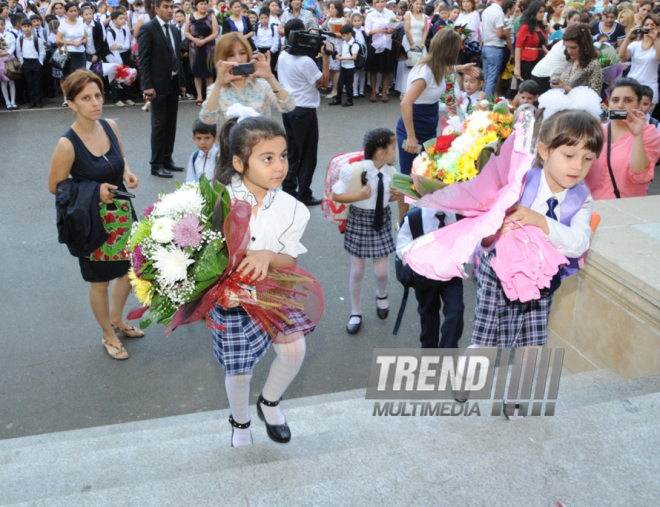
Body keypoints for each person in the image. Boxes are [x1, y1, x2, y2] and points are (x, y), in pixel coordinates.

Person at [211, 114, 315, 447]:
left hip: (272, 289)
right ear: (240, 163)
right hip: (231, 297)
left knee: (294, 349)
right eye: (267, 158)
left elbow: (289, 261)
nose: (279, 166)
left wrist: (268, 256)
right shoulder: (218, 199)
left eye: (282, 156)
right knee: (239, 371)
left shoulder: (294, 210)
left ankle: (269, 402)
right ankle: (240, 422)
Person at [48, 70, 143, 361]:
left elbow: (120, 157)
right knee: (99, 283)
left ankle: (117, 318)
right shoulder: (67, 144)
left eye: (98, 95)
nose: (95, 103)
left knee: (130, 270)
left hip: (123, 215)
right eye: (85, 98)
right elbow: (55, 187)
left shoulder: (110, 126)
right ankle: (108, 333)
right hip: (92, 222)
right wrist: (94, 190)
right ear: (72, 104)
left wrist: (126, 172)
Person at [331, 128, 401, 334]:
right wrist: (359, 196)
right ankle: (355, 312)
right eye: (393, 148)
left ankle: (382, 294)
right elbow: (336, 196)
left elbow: (387, 199)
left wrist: (397, 195)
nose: (396, 152)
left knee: (381, 271)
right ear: (380, 153)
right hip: (359, 220)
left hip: (381, 219)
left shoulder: (391, 173)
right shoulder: (353, 171)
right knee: (358, 271)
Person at [398, 29, 479, 179]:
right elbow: (405, 103)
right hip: (415, 126)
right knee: (409, 176)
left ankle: (420, 203)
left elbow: (443, 70)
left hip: (427, 124)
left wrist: (461, 68)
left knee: (426, 173)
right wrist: (411, 137)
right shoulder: (424, 72)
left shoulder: (435, 66)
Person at [277, 19, 329, 205]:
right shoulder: (306, 61)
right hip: (304, 111)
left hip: (288, 109)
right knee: (307, 156)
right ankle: (304, 194)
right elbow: (323, 83)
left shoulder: (283, 55)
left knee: (291, 153)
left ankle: (289, 190)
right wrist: (326, 58)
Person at [396, 207, 464, 348]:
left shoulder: (460, 215)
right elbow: (402, 248)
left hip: (451, 275)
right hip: (424, 277)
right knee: (429, 318)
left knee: (456, 312)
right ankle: (429, 357)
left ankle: (447, 356)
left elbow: (470, 241)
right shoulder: (414, 217)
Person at [585, 78, 660, 199]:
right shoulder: (595, 131)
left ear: (640, 104)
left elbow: (640, 174)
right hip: (590, 208)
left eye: (628, 100)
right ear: (608, 103)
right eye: (615, 100)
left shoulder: (649, 133)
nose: (620, 105)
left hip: (626, 208)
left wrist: (637, 135)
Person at [199, 33, 294, 128]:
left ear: (248, 54)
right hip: (231, 142)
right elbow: (207, 119)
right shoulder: (216, 89)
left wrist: (270, 76)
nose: (238, 59)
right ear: (222, 58)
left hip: (261, 141)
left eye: (242, 53)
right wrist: (218, 83)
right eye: (231, 55)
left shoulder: (262, 85)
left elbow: (289, 106)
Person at [138, 0, 187, 178]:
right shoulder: (148, 29)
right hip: (156, 86)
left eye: (171, 7)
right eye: (166, 7)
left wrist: (182, 82)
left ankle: (167, 159)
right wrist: (147, 86)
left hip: (173, 83)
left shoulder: (175, 29)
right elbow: (143, 60)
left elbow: (178, 58)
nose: (170, 10)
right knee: (159, 125)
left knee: (171, 123)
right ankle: (156, 164)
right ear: (157, 9)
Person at [530, 9, 580, 93]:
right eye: (574, 20)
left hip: (548, 74)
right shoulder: (566, 45)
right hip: (543, 75)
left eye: (579, 20)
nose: (577, 22)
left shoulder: (567, 42)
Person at [618, 14, 660, 104]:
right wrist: (628, 36)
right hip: (632, 84)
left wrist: (655, 39)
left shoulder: (658, 44)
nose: (649, 27)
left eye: (652, 25)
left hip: (650, 86)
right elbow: (622, 55)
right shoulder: (636, 44)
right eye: (647, 25)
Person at [550, 24, 603, 94]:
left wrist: (565, 88)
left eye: (573, 48)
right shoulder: (571, 60)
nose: (569, 51)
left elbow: (594, 96)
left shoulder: (594, 65)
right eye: (567, 47)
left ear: (584, 46)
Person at [185, 0, 219, 105]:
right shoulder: (190, 16)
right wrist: (195, 40)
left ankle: (209, 95)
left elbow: (215, 33)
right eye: (201, 4)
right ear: (196, 6)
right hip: (195, 48)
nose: (203, 6)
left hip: (208, 47)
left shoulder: (211, 17)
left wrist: (204, 41)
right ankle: (199, 95)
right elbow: (186, 31)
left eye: (205, 4)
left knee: (209, 71)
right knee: (197, 71)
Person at [395, 0, 427, 97]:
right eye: (417, 3)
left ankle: (417, 90)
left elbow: (425, 31)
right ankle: (405, 91)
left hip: (420, 42)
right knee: (407, 66)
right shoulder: (408, 14)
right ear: (412, 4)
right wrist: (412, 44)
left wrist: (422, 44)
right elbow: (407, 30)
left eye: (421, 4)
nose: (419, 5)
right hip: (409, 42)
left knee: (420, 67)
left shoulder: (424, 16)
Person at [365, 0, 396, 102]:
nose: (380, 4)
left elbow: (395, 28)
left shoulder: (390, 13)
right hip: (374, 44)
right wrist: (379, 30)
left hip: (387, 43)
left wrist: (390, 30)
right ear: (374, 3)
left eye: (382, 1)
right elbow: (367, 31)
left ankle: (384, 92)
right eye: (378, 2)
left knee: (386, 69)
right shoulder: (370, 15)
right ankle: (373, 91)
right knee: (373, 69)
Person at [106, 10, 136, 107]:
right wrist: (119, 61)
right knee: (116, 78)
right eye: (121, 18)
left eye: (124, 18)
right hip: (115, 57)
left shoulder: (124, 29)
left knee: (127, 76)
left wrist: (119, 47)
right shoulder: (110, 32)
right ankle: (116, 98)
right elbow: (112, 48)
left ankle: (127, 97)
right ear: (114, 20)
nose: (123, 20)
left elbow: (127, 45)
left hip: (125, 54)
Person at [514, 0, 547, 82]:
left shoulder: (540, 26)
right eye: (540, 12)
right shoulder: (525, 27)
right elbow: (518, 48)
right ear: (534, 12)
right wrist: (517, 68)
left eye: (543, 12)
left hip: (539, 58)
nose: (542, 14)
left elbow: (540, 43)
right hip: (527, 61)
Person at [16, 17, 45, 109]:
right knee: (29, 83)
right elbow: (18, 51)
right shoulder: (20, 39)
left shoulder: (37, 39)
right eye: (24, 26)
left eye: (28, 26)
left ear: (31, 27)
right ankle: (32, 101)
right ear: (22, 28)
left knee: (37, 82)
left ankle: (38, 100)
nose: (27, 28)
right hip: (26, 62)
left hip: (35, 61)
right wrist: (22, 62)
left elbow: (42, 52)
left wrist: (40, 62)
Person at [481, 0, 507, 98]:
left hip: (486, 46)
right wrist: (506, 35)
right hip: (495, 47)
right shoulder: (499, 13)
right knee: (491, 79)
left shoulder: (486, 11)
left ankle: (482, 101)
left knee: (486, 78)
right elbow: (500, 34)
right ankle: (487, 103)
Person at [330, 23, 359, 106]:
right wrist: (340, 54)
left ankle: (350, 100)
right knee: (340, 83)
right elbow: (344, 51)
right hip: (343, 66)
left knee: (349, 85)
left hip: (350, 67)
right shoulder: (345, 42)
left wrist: (342, 58)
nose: (342, 37)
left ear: (349, 34)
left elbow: (354, 57)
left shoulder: (354, 44)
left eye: (343, 35)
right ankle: (338, 99)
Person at [322, 0, 346, 99]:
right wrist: (327, 18)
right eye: (330, 8)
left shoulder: (342, 19)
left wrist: (335, 34)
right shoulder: (330, 19)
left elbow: (346, 32)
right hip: (329, 42)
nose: (331, 10)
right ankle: (333, 87)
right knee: (331, 67)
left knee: (336, 68)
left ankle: (335, 89)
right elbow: (323, 26)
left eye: (333, 8)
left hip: (338, 43)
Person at [57, 2, 87, 77]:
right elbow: (58, 40)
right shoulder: (63, 24)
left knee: (81, 76)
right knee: (69, 77)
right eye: (71, 11)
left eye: (75, 11)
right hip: (68, 53)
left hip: (80, 53)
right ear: (66, 12)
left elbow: (85, 38)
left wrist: (81, 42)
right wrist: (72, 43)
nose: (74, 13)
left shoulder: (81, 23)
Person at [0, 16, 17, 109]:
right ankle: (7, 102)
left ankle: (13, 101)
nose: (0, 26)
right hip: (0, 61)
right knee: (3, 82)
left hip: (9, 59)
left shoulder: (9, 34)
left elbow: (12, 45)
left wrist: (7, 52)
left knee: (11, 80)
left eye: (2, 24)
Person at [351, 11, 367, 98]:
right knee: (356, 73)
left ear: (362, 21)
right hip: (355, 54)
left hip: (363, 54)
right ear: (352, 22)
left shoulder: (364, 31)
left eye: (359, 20)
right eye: (355, 21)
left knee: (363, 73)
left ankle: (361, 90)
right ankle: (355, 91)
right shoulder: (352, 32)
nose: (357, 22)